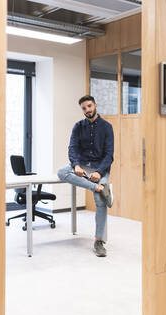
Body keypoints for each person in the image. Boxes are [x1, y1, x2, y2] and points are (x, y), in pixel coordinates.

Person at [57, 95, 114, 257]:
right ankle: (99, 187)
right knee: (62, 172)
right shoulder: (78, 126)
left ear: (95, 105)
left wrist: (98, 172)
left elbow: (109, 155)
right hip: (81, 164)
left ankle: (99, 241)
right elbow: (72, 148)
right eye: (84, 108)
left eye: (89, 106)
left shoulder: (106, 127)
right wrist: (75, 165)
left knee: (100, 200)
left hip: (100, 167)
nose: (87, 110)